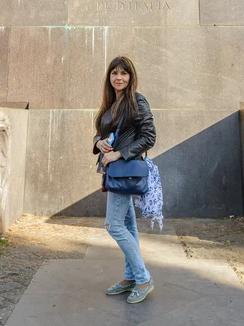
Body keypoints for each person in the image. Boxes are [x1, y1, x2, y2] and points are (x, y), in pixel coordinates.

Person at [93, 56, 156, 304]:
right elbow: (103, 134)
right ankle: (130, 278)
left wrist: (119, 153)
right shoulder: (112, 103)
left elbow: (149, 136)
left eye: (124, 73)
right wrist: (97, 142)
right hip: (115, 171)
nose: (119, 77)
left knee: (114, 226)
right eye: (114, 73)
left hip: (124, 169)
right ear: (109, 78)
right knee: (128, 227)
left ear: (131, 77)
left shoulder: (137, 101)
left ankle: (143, 278)